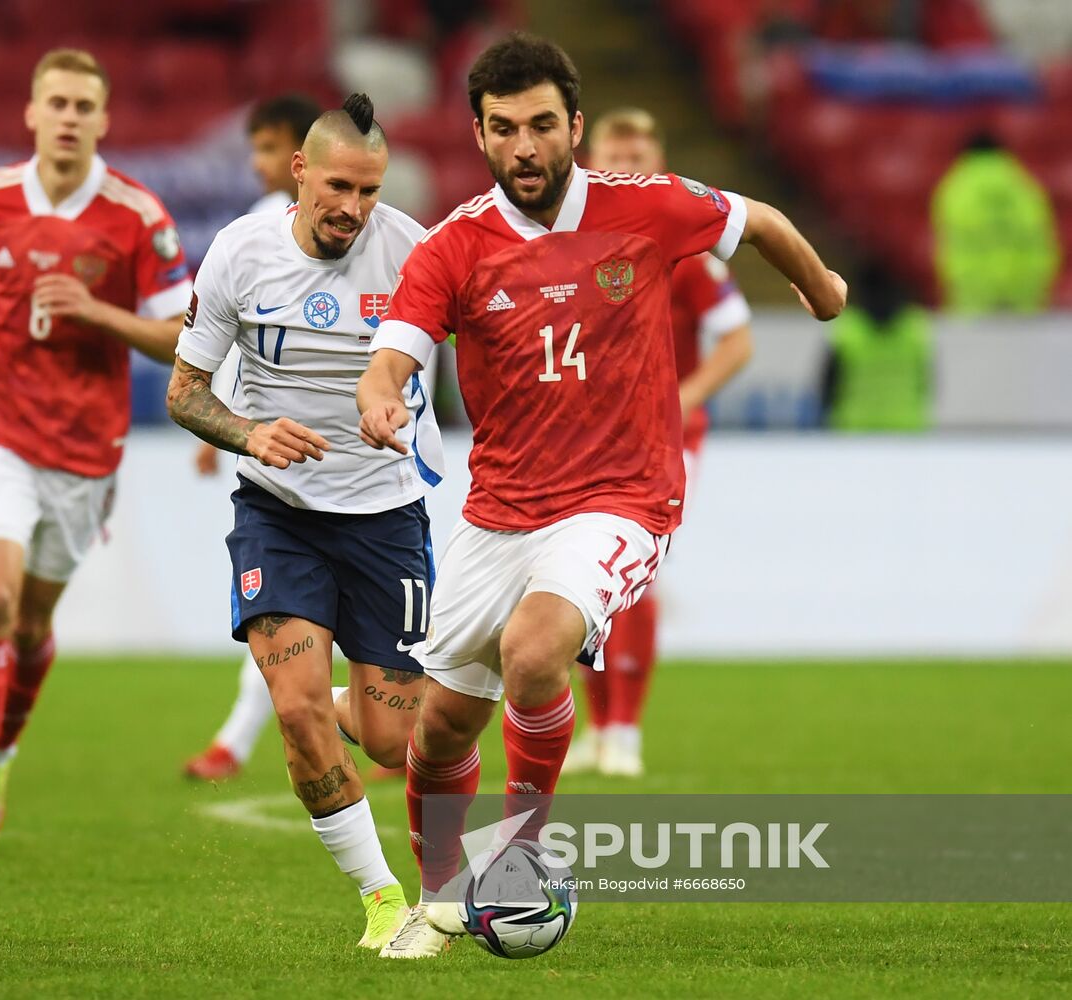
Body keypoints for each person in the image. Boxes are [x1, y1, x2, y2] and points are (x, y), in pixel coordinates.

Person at [356, 32, 845, 957]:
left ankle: (521, 863)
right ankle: (439, 902)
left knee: (535, 647)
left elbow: (766, 220)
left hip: (625, 495)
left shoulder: (647, 207)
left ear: (574, 126)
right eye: (505, 130)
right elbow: (394, 357)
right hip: (499, 512)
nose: (526, 147)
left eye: (544, 125)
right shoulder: (452, 247)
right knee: (443, 726)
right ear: (480, 134)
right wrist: (380, 398)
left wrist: (822, 290)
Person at [167, 94, 444, 951]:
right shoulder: (239, 254)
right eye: (337, 188)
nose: (353, 210)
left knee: (397, 740)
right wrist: (250, 432)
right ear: (299, 172)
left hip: (388, 513)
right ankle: (383, 904)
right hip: (277, 514)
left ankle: (331, 695)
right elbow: (185, 392)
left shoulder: (418, 252)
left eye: (369, 191)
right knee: (293, 712)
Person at [0, 48, 192, 854]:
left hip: (85, 446)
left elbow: (181, 339)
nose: (70, 117)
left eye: (85, 105)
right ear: (32, 112)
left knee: (35, 621)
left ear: (104, 119)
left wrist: (95, 312)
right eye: (58, 103)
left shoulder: (136, 216)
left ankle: (3, 750)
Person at [562, 107, 754, 778]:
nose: (629, 158)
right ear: (592, 157)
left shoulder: (688, 251)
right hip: (592, 436)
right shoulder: (572, 245)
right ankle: (599, 725)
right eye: (618, 147)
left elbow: (738, 340)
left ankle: (627, 731)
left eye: (641, 148)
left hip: (666, 440)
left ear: (661, 162)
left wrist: (681, 399)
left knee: (632, 574)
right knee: (581, 579)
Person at [185, 93, 324, 782]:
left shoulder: (272, 227)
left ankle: (382, 715)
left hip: (301, 444)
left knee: (291, 605)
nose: (256, 162)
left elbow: (247, 340)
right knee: (288, 605)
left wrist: (222, 427)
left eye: (268, 148)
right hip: (287, 443)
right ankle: (238, 738)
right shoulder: (277, 227)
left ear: (303, 155)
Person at [932, 132, 1061, 314]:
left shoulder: (953, 189)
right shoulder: (1026, 185)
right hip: (1025, 290)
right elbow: (1042, 235)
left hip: (973, 291)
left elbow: (947, 239)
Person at [822, 260, 932, 432]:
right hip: (906, 429)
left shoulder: (847, 329)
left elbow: (828, 387)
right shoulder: (915, 327)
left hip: (854, 431)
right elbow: (926, 382)